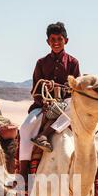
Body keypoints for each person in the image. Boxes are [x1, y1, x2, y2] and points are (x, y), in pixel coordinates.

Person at [19, 21, 81, 182]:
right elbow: (35, 90)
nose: (56, 42)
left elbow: (75, 89)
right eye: (52, 39)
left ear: (66, 41)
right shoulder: (41, 63)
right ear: (48, 42)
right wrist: (44, 100)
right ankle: (23, 175)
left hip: (65, 106)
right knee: (25, 129)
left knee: (73, 107)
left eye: (59, 39)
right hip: (43, 105)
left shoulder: (73, 63)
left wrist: (59, 88)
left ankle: (44, 135)